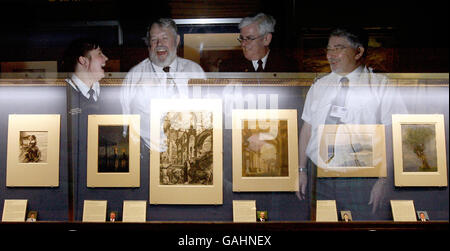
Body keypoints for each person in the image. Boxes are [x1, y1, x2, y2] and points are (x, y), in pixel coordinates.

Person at [297, 26, 408, 219]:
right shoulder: (320, 85)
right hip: (319, 173)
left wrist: (384, 180)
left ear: (359, 51)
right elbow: (307, 130)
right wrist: (301, 170)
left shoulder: (380, 86)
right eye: (329, 49)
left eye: (338, 48)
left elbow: (393, 136)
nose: (331, 55)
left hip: (361, 176)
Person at [120, 18, 206, 150]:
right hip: (145, 151)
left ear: (177, 41)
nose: (159, 44)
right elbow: (124, 119)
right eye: (154, 39)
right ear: (149, 44)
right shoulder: (135, 75)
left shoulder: (194, 71)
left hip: (186, 151)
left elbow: (205, 115)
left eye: (165, 38)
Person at [219, 13, 299, 72]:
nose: (243, 44)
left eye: (249, 38)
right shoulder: (229, 67)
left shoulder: (287, 67)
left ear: (266, 39)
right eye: (242, 38)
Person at [62, 38, 108, 105]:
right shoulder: (60, 92)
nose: (106, 58)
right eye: (99, 53)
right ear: (83, 60)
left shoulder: (110, 90)